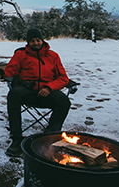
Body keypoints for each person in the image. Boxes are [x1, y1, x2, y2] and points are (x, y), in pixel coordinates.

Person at [4, 27, 71, 157]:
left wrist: (49, 87)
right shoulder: (20, 55)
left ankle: (49, 138)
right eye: (32, 41)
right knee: (13, 95)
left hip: (48, 92)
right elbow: (9, 72)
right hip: (27, 92)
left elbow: (63, 78)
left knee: (64, 101)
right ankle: (16, 139)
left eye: (38, 40)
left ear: (42, 40)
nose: (35, 43)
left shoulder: (53, 56)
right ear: (28, 42)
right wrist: (11, 77)